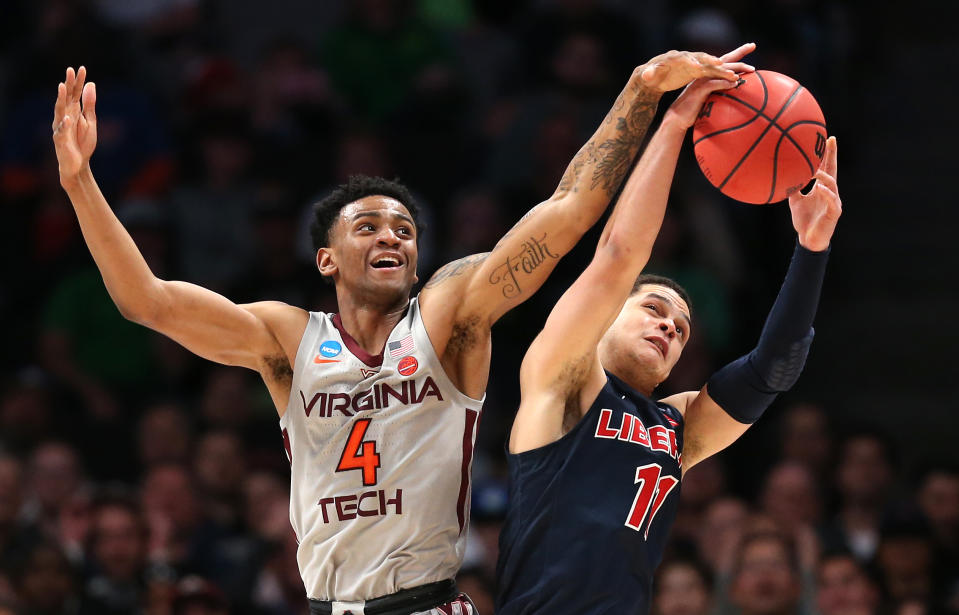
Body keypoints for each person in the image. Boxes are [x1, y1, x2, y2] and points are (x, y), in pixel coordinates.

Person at [51, 47, 746, 614]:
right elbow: (148, 301)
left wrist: (639, 91)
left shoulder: (448, 316)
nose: (392, 236)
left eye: (405, 229)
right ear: (325, 257)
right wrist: (82, 182)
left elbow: (566, 210)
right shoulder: (285, 339)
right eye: (369, 226)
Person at [495, 63, 842, 613]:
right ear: (605, 318)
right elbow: (617, 258)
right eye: (653, 309)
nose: (668, 327)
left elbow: (774, 368)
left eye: (680, 329)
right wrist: (675, 124)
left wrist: (812, 247)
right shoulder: (561, 381)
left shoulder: (676, 429)